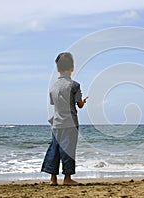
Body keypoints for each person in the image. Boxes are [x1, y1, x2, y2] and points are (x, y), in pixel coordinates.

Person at [41, 52, 88, 186]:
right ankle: (67, 178)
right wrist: (82, 102)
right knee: (68, 150)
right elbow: (78, 105)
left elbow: (53, 103)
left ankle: (53, 179)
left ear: (57, 68)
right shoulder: (75, 85)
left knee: (54, 150)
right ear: (72, 68)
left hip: (56, 122)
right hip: (70, 122)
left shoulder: (53, 86)